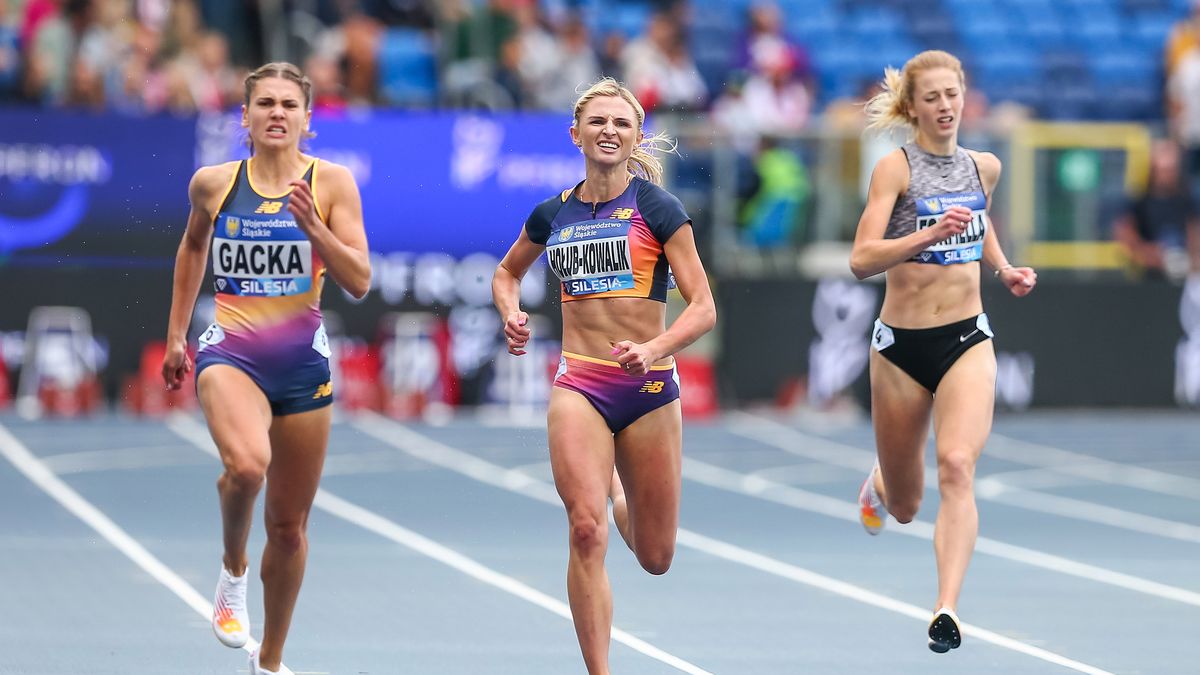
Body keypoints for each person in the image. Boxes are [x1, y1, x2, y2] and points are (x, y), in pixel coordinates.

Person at [491, 77, 716, 675]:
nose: (609, 131)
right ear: (576, 134)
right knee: (585, 530)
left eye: (621, 122)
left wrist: (655, 346)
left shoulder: (657, 209)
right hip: (580, 384)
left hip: (647, 389)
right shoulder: (553, 212)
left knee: (655, 555)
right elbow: (506, 273)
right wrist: (511, 313)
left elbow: (703, 307)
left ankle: (619, 493)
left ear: (636, 134)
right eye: (598, 122)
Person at [161, 62, 370, 675]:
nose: (277, 113)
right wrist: (177, 336)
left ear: (307, 120)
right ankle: (231, 569)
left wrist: (316, 231)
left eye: (289, 105)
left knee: (289, 527)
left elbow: (358, 279)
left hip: (303, 367)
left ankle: (271, 662)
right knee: (247, 466)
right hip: (231, 352)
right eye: (265, 104)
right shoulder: (214, 184)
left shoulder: (331, 185)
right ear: (245, 118)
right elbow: (193, 245)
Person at [848, 50, 1037, 654]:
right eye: (931, 97)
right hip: (901, 348)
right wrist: (927, 234)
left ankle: (945, 608)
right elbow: (860, 260)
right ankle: (881, 480)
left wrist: (1004, 268)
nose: (945, 106)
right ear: (913, 107)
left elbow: (980, 227)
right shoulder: (894, 170)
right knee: (905, 506)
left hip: (966, 339)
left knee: (957, 465)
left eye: (952, 94)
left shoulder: (985, 167)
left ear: (964, 96)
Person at [1113, 138, 1200, 280]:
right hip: (1149, 275)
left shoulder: (1188, 201)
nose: (1167, 175)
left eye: (1171, 169)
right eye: (1163, 170)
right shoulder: (1139, 201)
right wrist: (1152, 255)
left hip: (1185, 274)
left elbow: (1195, 232)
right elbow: (1124, 234)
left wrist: (1189, 259)